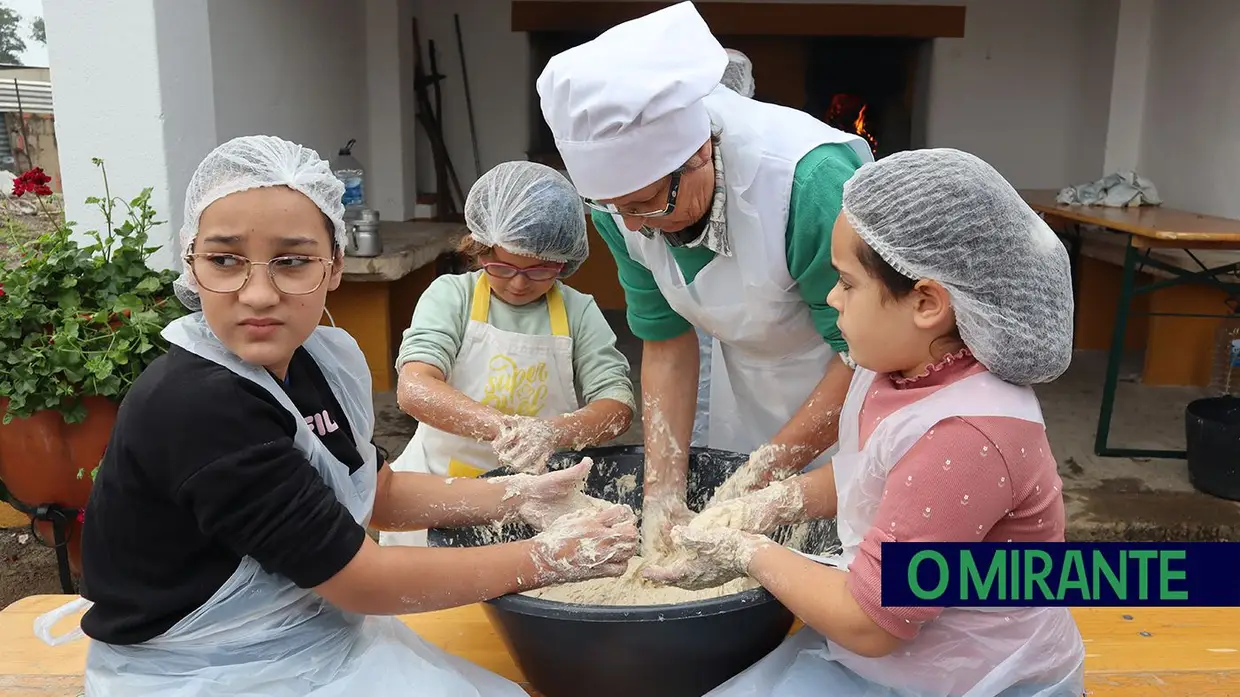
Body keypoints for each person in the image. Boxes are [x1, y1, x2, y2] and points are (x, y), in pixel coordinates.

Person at [34, 135, 639, 696]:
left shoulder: (308, 362)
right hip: (213, 668)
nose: (259, 293)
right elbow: (360, 579)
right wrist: (547, 557)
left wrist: (518, 496)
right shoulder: (200, 403)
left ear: (335, 266)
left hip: (300, 629)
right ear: (190, 266)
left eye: (293, 262)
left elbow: (375, 490)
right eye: (225, 260)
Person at [643, 148, 1086, 696]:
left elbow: (872, 625)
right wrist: (770, 504)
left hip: (977, 674)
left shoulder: (970, 438)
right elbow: (877, 473)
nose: (831, 299)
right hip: (898, 641)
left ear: (926, 302)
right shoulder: (904, 370)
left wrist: (748, 551)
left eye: (847, 284)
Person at [536, 0, 876, 549]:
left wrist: (759, 477)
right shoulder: (621, 208)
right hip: (747, 383)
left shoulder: (805, 183)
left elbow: (861, 353)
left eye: (646, 202)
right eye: (611, 208)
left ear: (699, 152)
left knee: (849, 552)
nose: (631, 226)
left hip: (852, 383)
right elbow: (666, 341)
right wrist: (662, 495)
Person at [380, 160, 636, 546]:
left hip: (537, 497)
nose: (518, 283)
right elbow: (415, 386)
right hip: (438, 489)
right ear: (480, 246)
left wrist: (551, 433)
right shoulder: (453, 296)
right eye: (500, 266)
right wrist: (505, 430)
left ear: (563, 263)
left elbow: (616, 406)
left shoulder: (578, 311)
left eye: (538, 271)